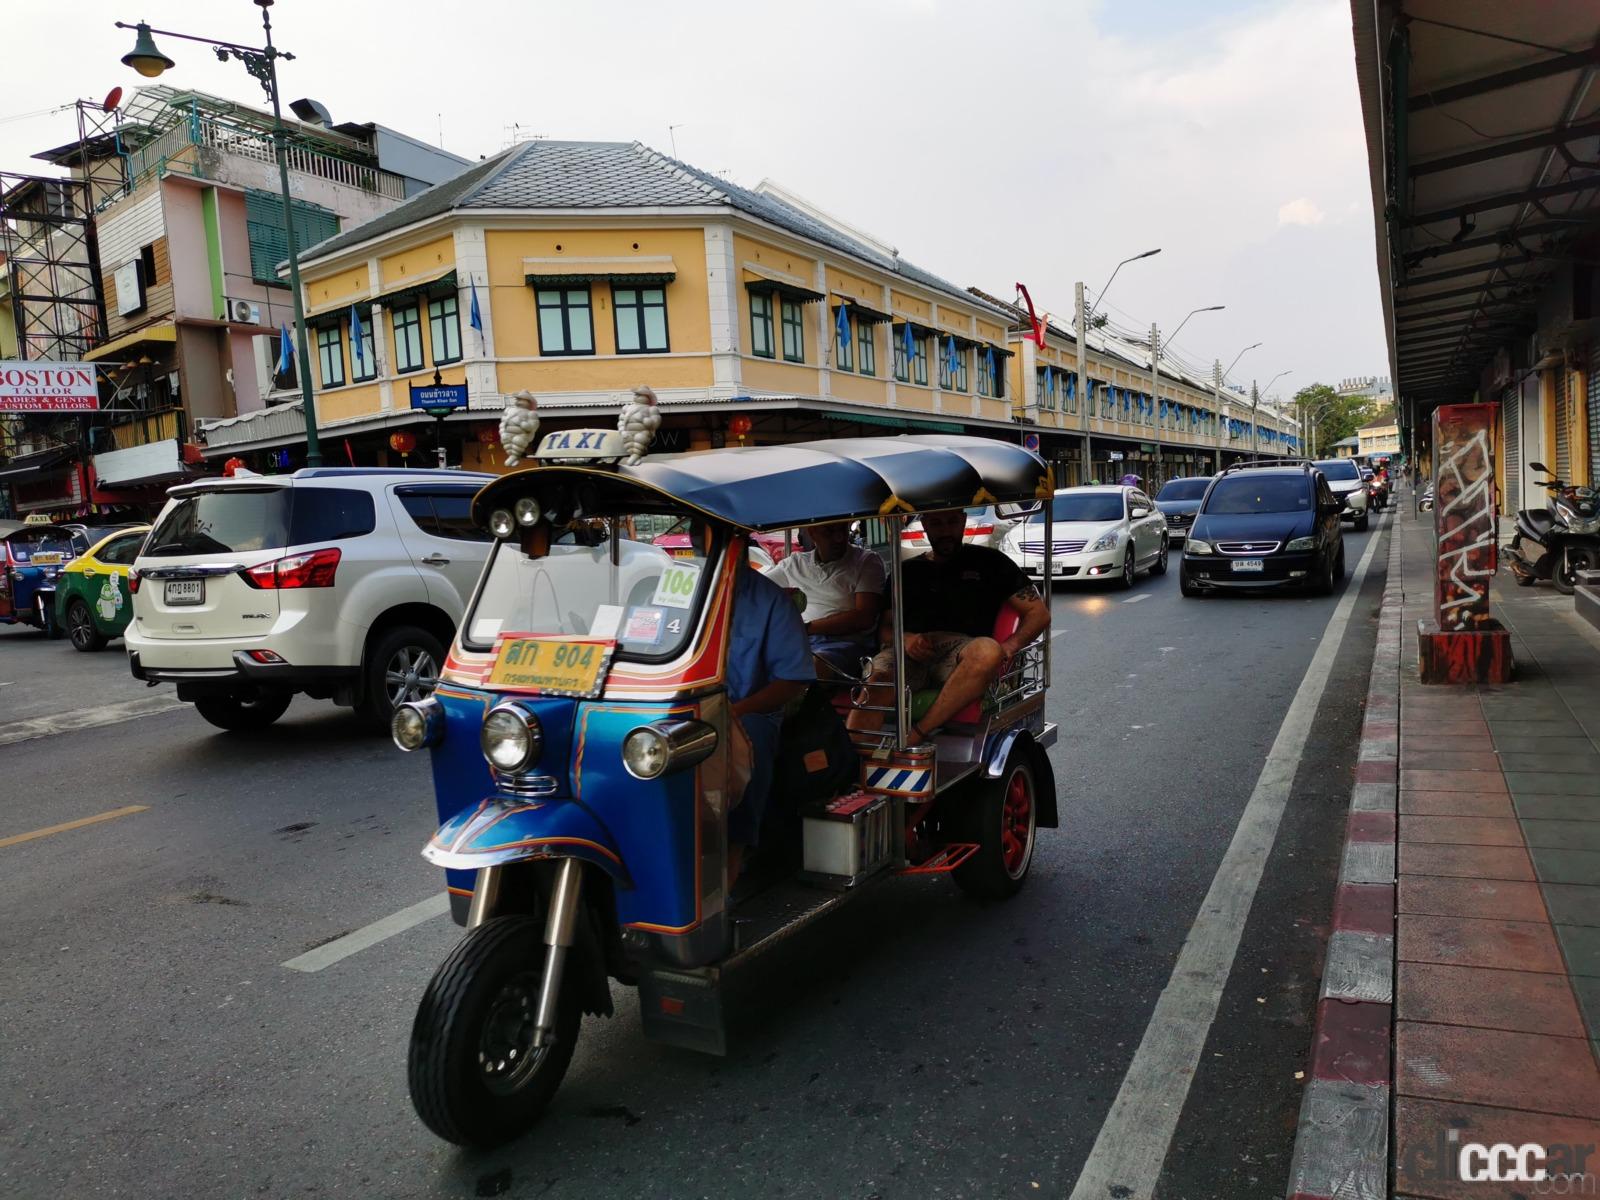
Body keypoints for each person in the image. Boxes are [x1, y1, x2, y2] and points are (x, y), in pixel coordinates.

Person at [847, 508, 1050, 744]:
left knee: (987, 651)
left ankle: (916, 735)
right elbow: (885, 629)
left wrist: (1010, 646)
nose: (945, 531)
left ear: (963, 521)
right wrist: (907, 639)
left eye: (952, 522)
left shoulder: (991, 562)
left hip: (961, 650)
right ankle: (857, 760)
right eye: (936, 523)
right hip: (908, 651)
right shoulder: (906, 572)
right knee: (877, 679)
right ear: (924, 525)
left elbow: (1039, 613)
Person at [722, 530, 815, 883]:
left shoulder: (769, 600)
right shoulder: (675, 591)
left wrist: (736, 712)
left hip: (749, 711)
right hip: (686, 709)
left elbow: (793, 680)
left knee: (748, 744)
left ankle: (734, 854)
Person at [765, 521, 886, 677]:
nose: (839, 538)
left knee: (812, 666)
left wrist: (806, 628)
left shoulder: (866, 561)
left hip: (844, 644)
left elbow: (864, 617)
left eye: (842, 529)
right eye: (828, 532)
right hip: (799, 640)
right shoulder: (794, 564)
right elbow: (755, 588)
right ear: (812, 532)